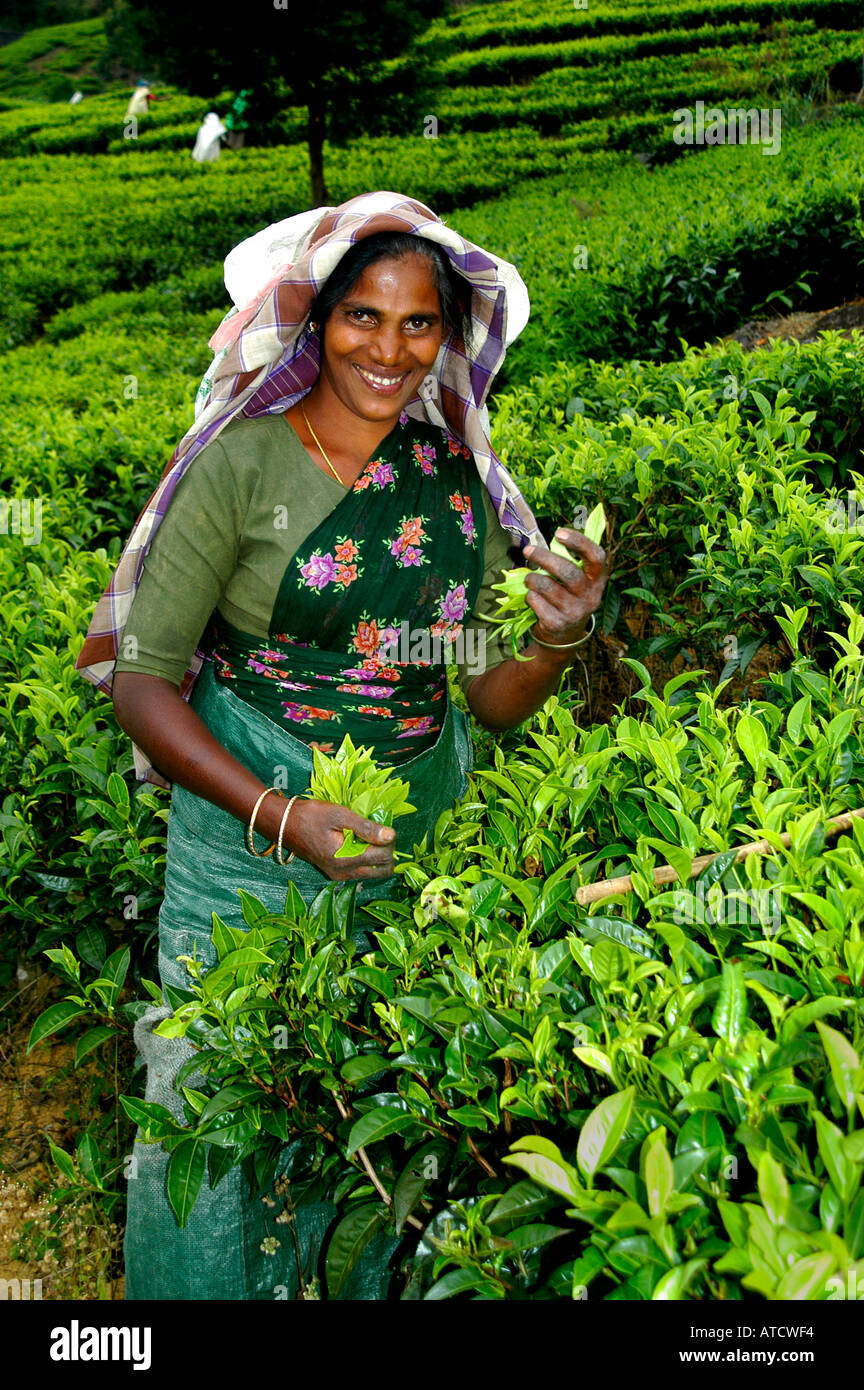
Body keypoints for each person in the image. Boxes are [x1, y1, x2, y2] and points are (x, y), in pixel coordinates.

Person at [75, 190, 607, 1300]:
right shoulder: (243, 467)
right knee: (217, 1109)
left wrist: (557, 641)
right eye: (365, 315)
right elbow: (141, 684)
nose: (390, 347)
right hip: (248, 838)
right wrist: (281, 816)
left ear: (449, 339)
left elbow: (488, 696)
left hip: (410, 834)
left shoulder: (451, 488)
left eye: (421, 324)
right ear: (318, 321)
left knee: (380, 1100)